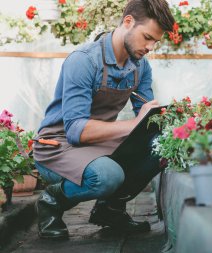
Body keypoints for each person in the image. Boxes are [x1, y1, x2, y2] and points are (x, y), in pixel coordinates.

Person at [32, 0, 175, 239]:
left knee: (160, 144)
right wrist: (135, 123)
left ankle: (110, 210)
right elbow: (76, 130)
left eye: (156, 42)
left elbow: (147, 122)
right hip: (57, 146)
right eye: (147, 37)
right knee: (108, 176)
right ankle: (52, 200)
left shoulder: (140, 67)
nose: (151, 47)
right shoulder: (84, 60)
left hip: (96, 145)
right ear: (128, 22)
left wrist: (175, 123)